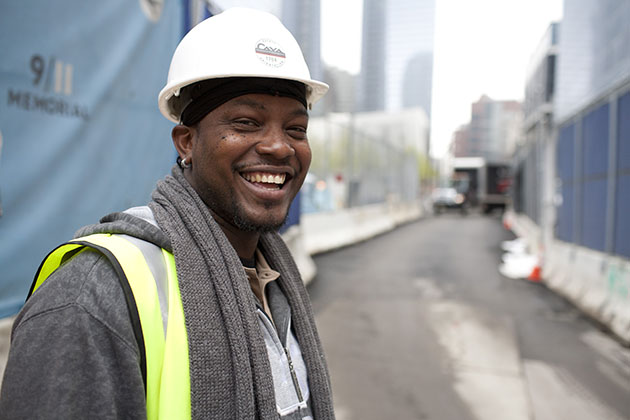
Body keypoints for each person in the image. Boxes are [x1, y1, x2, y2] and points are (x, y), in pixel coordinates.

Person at [0, 8, 335, 420]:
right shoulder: (90, 298)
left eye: (296, 129)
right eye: (247, 123)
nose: (280, 147)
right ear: (186, 143)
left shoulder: (277, 283)